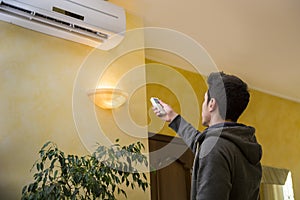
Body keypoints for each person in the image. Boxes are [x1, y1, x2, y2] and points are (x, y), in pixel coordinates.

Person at [152, 72, 262, 200]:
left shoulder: (214, 147)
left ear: (211, 104)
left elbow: (208, 147)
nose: (203, 105)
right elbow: (199, 143)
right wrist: (172, 118)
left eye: (204, 100)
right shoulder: (242, 143)